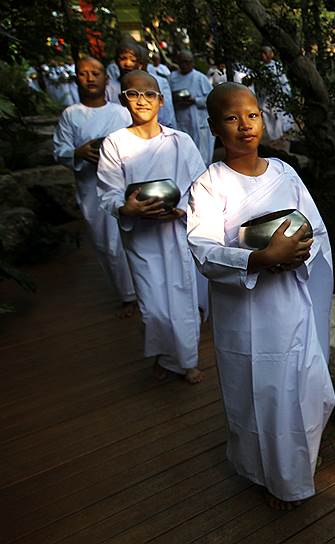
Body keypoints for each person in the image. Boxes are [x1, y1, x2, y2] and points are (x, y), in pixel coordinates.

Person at [187, 82, 335, 510]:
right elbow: (205, 249)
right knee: (260, 396)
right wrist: (259, 259)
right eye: (232, 118)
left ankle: (295, 465)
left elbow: (316, 228)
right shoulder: (209, 185)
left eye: (251, 114)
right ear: (215, 127)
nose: (245, 125)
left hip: (292, 300)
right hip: (247, 316)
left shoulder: (284, 173)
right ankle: (273, 478)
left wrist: (297, 252)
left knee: (307, 389)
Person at [97, 69, 206, 384]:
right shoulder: (115, 144)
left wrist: (181, 208)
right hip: (141, 238)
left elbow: (200, 185)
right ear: (123, 99)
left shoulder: (180, 142)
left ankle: (186, 361)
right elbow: (108, 192)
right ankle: (165, 356)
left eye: (149, 94)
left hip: (176, 233)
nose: (141, 100)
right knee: (153, 305)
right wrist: (126, 207)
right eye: (133, 93)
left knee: (182, 298)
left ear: (160, 101)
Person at [53, 56, 137, 318]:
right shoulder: (71, 115)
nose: (89, 78)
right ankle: (126, 295)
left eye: (95, 73)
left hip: (125, 185)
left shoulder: (122, 113)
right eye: (83, 74)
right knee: (107, 244)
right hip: (92, 190)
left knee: (131, 239)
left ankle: (139, 292)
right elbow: (60, 150)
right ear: (76, 78)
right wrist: (78, 152)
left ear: (106, 79)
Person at [107, 40, 176, 129]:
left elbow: (167, 116)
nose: (128, 63)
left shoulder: (158, 82)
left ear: (140, 64)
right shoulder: (109, 87)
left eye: (133, 60)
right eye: (123, 58)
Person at [169, 50, 215, 164]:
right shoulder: (171, 78)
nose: (184, 65)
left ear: (192, 63)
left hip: (198, 121)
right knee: (185, 153)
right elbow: (167, 98)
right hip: (181, 120)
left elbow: (211, 98)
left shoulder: (200, 78)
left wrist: (195, 100)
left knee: (202, 154)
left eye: (187, 62)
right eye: (181, 62)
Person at [258, 46, 295, 151]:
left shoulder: (277, 66)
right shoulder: (260, 68)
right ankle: (273, 137)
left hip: (276, 96)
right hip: (265, 98)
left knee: (277, 116)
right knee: (268, 117)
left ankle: (279, 137)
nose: (263, 56)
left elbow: (283, 81)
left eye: (265, 53)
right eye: (262, 53)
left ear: (271, 54)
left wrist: (286, 93)